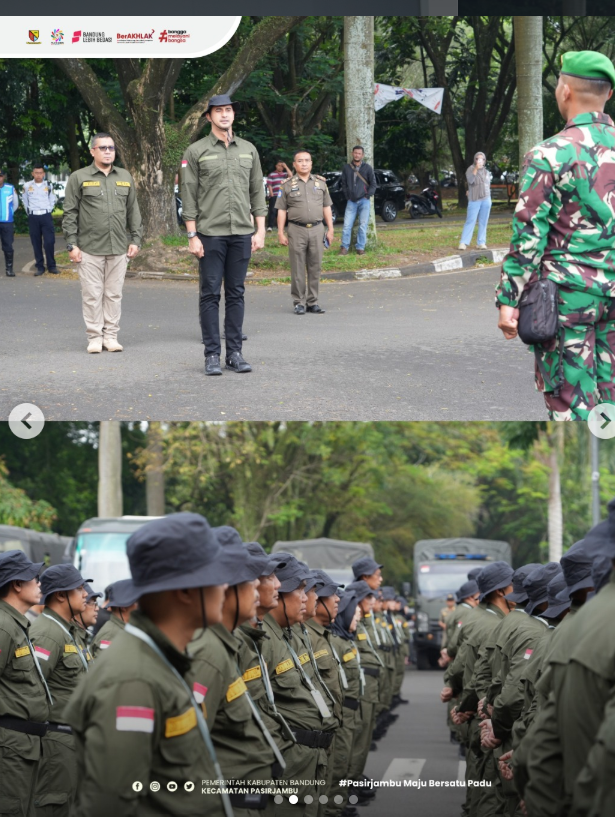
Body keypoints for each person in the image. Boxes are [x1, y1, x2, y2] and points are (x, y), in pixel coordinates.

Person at [63, 512, 236, 817]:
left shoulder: (161, 659)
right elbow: (110, 805)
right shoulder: (133, 679)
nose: (226, 586)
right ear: (184, 591)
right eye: (216, 576)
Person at [496, 50, 615, 421]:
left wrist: (509, 299)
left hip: (567, 300)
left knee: (572, 403)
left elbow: (528, 236)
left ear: (564, 91)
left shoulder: (550, 154)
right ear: (607, 94)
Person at [186, 527, 280, 814]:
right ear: (224, 587)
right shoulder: (208, 652)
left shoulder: (227, 644)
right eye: (248, 581)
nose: (258, 588)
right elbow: (189, 748)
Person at [181, 94, 267, 377]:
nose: (224, 115)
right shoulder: (196, 151)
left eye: (228, 110)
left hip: (242, 232)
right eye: (218, 111)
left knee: (236, 293)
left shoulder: (249, 150)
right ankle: (211, 355)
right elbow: (188, 195)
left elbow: (257, 191)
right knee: (209, 295)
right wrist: (192, 235)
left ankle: (235, 354)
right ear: (208, 117)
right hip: (210, 234)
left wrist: (261, 229)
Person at [62, 133, 142, 354]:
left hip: (118, 247)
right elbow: (70, 213)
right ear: (92, 151)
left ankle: (111, 336)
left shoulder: (124, 176)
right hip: (89, 248)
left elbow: (133, 210)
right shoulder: (79, 177)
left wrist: (136, 239)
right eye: (103, 148)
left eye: (111, 148)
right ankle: (95, 337)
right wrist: (72, 245)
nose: (108, 151)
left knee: (114, 294)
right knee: (92, 295)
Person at [29, 564, 91, 816]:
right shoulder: (47, 634)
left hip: (70, 740)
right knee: (53, 805)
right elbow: (34, 686)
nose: (86, 593)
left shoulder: (67, 630)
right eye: (79, 588)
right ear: (61, 595)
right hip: (56, 741)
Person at [0, 551, 51, 817]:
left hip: (23, 746)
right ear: (17, 584)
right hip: (10, 747)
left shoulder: (16, 624)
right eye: (34, 577)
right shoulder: (3, 626)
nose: (40, 582)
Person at [276, 150, 334, 315]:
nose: (304, 164)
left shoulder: (321, 183)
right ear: (294, 165)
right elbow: (281, 210)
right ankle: (299, 302)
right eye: (300, 161)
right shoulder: (287, 185)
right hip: (296, 229)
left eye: (307, 160)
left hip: (317, 229)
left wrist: (330, 228)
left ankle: (313, 301)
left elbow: (326, 207)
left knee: (316, 266)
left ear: (311, 163)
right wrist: (281, 232)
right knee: (298, 267)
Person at [21, 164, 59, 276]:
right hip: (33, 217)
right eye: (36, 173)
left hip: (46, 216)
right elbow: (25, 201)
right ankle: (40, 267)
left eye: (40, 173)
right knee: (36, 242)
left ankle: (52, 266)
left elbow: (53, 199)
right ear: (32, 174)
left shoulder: (49, 185)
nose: (38, 175)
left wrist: (48, 210)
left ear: (44, 174)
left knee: (49, 242)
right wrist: (30, 213)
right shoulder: (27, 186)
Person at [339, 146, 376, 256]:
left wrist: (367, 195)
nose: (357, 155)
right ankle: (344, 247)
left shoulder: (368, 168)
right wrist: (347, 196)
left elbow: (373, 184)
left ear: (362, 155)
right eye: (355, 153)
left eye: (359, 153)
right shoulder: (346, 168)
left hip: (364, 201)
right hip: (351, 201)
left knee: (363, 225)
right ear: (352, 153)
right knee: (346, 225)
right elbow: (343, 184)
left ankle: (360, 248)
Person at [90, 579, 138, 657]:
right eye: (135, 602)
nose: (138, 606)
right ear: (123, 607)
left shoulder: (119, 628)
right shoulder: (110, 634)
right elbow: (104, 666)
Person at [458, 152, 492, 250]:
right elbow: (471, 181)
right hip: (474, 199)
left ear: (485, 161)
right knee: (470, 221)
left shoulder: (486, 172)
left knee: (483, 221)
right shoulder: (470, 169)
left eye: (482, 159)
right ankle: (463, 242)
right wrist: (476, 168)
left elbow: (487, 185)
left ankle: (481, 242)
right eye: (477, 158)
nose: (479, 160)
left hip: (486, 198)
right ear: (475, 159)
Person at [0, 168, 19, 277]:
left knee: (8, 246)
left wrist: (9, 213)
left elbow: (15, 205)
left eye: (1, 176)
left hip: (7, 222)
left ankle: (9, 269)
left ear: (4, 177)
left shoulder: (10, 188)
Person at [267, 160, 292, 231]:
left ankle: (280, 226)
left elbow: (291, 176)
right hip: (274, 195)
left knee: (282, 211)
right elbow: (269, 185)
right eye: (279, 165)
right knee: (272, 210)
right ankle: (270, 226)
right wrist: (271, 194)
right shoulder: (272, 174)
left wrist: (286, 166)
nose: (280, 167)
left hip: (283, 195)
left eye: (282, 166)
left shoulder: (285, 174)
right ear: (276, 166)